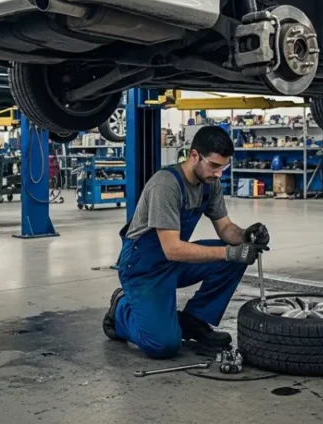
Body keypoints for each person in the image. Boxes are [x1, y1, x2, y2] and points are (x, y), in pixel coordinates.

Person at [103, 126, 271, 358]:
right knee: (164, 345)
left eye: (223, 167)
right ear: (194, 156)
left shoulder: (210, 183)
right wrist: (230, 252)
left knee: (236, 256)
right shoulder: (166, 185)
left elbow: (225, 228)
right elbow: (172, 249)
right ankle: (121, 308)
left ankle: (194, 320)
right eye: (214, 165)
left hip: (175, 261)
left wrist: (246, 236)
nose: (218, 173)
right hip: (144, 268)